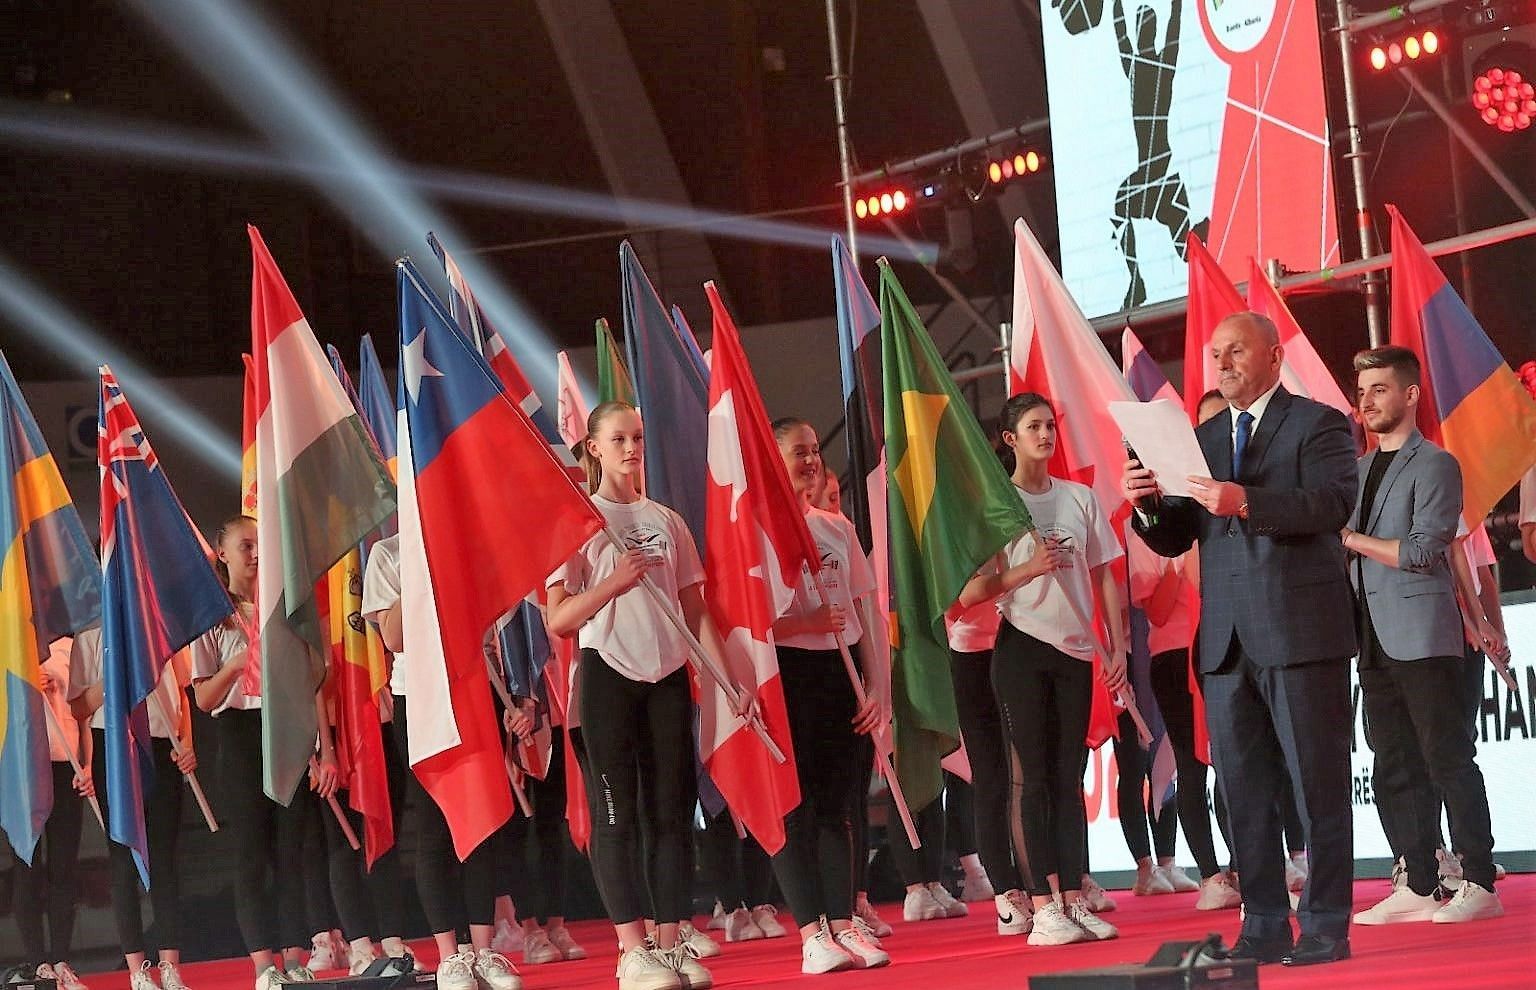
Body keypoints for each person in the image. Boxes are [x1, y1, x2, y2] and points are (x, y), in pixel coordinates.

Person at [1124, 312, 1358, 967]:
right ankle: (1262, 923)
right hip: (1225, 643)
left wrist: (1247, 501)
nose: (1221, 363)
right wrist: (1146, 505)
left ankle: (1326, 925)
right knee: (1244, 791)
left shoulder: (1319, 424)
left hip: (1301, 633)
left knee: (1317, 788)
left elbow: (1333, 505)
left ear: (1275, 355)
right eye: (1214, 353)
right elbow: (1178, 534)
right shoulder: (1198, 438)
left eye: (1235, 351)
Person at [544, 400, 716, 990]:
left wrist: (728, 680)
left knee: (670, 816)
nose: (631, 448)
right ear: (594, 447)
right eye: (618, 439)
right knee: (616, 820)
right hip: (607, 675)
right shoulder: (577, 522)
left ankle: (669, 944)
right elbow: (559, 620)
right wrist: (614, 583)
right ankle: (631, 950)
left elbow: (697, 611)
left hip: (667, 677)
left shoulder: (667, 521)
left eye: (637, 437)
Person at [959, 393, 1128, 947]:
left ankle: (1074, 899)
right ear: (1010, 439)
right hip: (1021, 650)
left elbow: (1104, 573)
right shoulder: (997, 505)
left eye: (1050, 425)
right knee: (1029, 777)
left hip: (1077, 653)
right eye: (1034, 427)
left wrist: (1116, 646)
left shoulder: (1079, 498)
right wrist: (1026, 569)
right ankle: (1041, 904)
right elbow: (968, 593)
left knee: (1066, 778)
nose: (1046, 434)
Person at [1341, 346, 1503, 925]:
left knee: (1447, 756)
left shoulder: (1435, 464)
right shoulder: (1354, 472)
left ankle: (1480, 877)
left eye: (1379, 389)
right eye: (1362, 391)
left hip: (1426, 634)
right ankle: (1417, 877)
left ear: (1410, 395)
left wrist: (1350, 539)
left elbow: (1422, 551)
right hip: (1369, 635)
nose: (1367, 401)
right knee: (1392, 761)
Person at [360, 533, 522, 990]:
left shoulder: (467, 538)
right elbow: (393, 637)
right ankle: (450, 955)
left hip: (472, 688)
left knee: (481, 820)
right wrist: (422, 566)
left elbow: (493, 615)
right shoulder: (388, 553)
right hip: (419, 696)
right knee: (432, 823)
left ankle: (484, 950)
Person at [763, 418, 889, 974]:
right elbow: (749, 624)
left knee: (838, 807)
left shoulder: (836, 528)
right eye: (798, 451)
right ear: (774, 456)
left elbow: (866, 611)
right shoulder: (760, 532)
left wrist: (877, 687)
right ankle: (812, 931)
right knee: (799, 807)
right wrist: (805, 621)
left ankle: (843, 921)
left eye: (815, 450)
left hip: (839, 678)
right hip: (788, 678)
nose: (811, 460)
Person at [190, 516, 335, 990]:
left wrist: (319, 746)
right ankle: (263, 966)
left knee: (290, 850)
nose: (255, 553)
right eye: (245, 545)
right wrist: (235, 665)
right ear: (223, 552)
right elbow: (204, 699)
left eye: (260, 544)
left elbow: (312, 678)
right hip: (236, 734)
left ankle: (294, 957)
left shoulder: (282, 607)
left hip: (284, 729)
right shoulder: (212, 612)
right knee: (251, 854)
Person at [66, 626, 196, 990]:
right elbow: (78, 707)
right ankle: (138, 970)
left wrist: (187, 742)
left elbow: (182, 696)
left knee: (164, 859)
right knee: (122, 858)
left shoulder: (159, 627)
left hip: (160, 743)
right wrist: (114, 677)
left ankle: (170, 968)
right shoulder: (90, 637)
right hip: (116, 748)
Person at [12, 638, 88, 987]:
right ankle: (37, 962)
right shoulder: (11, 640)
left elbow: (83, 711)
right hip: (23, 770)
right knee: (28, 866)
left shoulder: (69, 647)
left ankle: (61, 960)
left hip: (65, 765)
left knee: (64, 868)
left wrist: (87, 765)